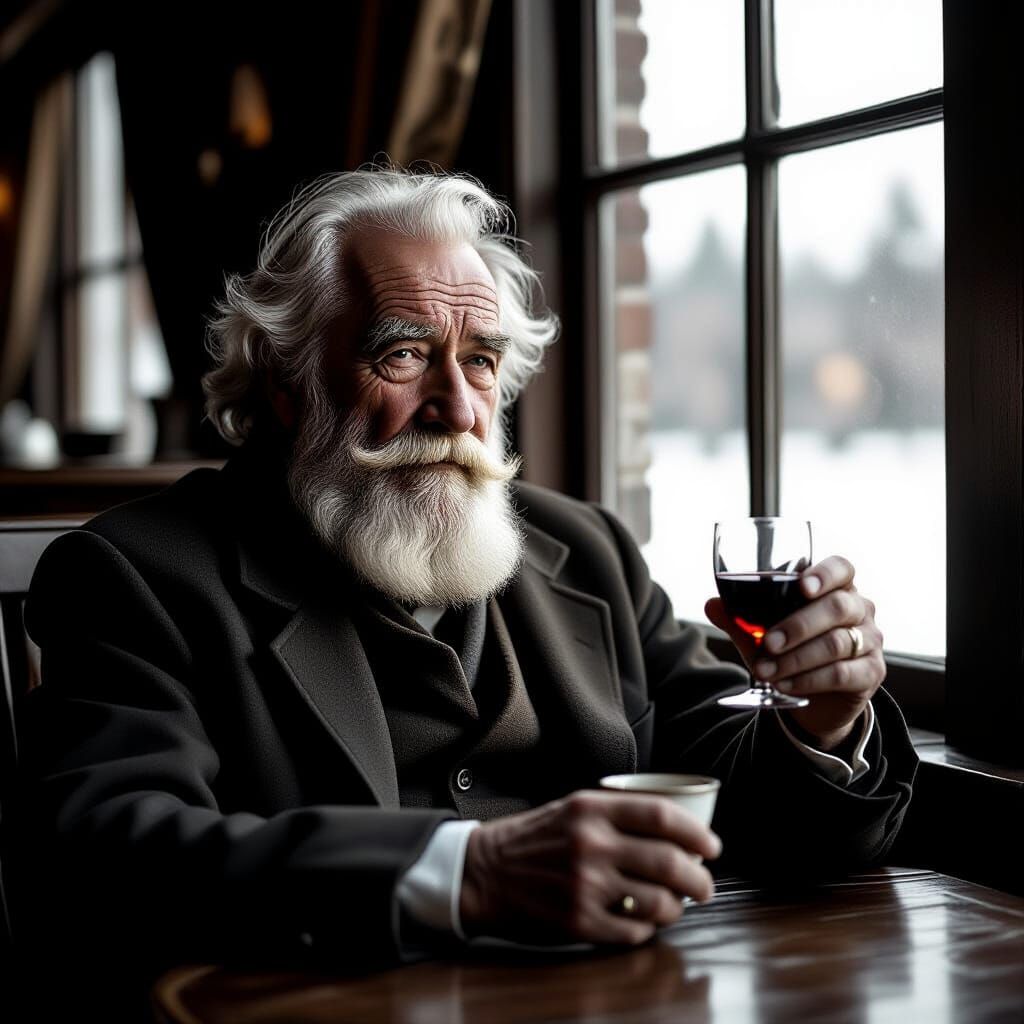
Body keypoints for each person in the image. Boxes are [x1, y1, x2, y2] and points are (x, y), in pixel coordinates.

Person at [11, 168, 917, 1014]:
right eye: (403, 354)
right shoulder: (138, 573)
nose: (457, 405)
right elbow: (107, 855)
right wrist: (467, 873)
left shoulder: (584, 548)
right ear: (289, 383)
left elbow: (738, 780)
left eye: (481, 361)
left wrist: (820, 723)